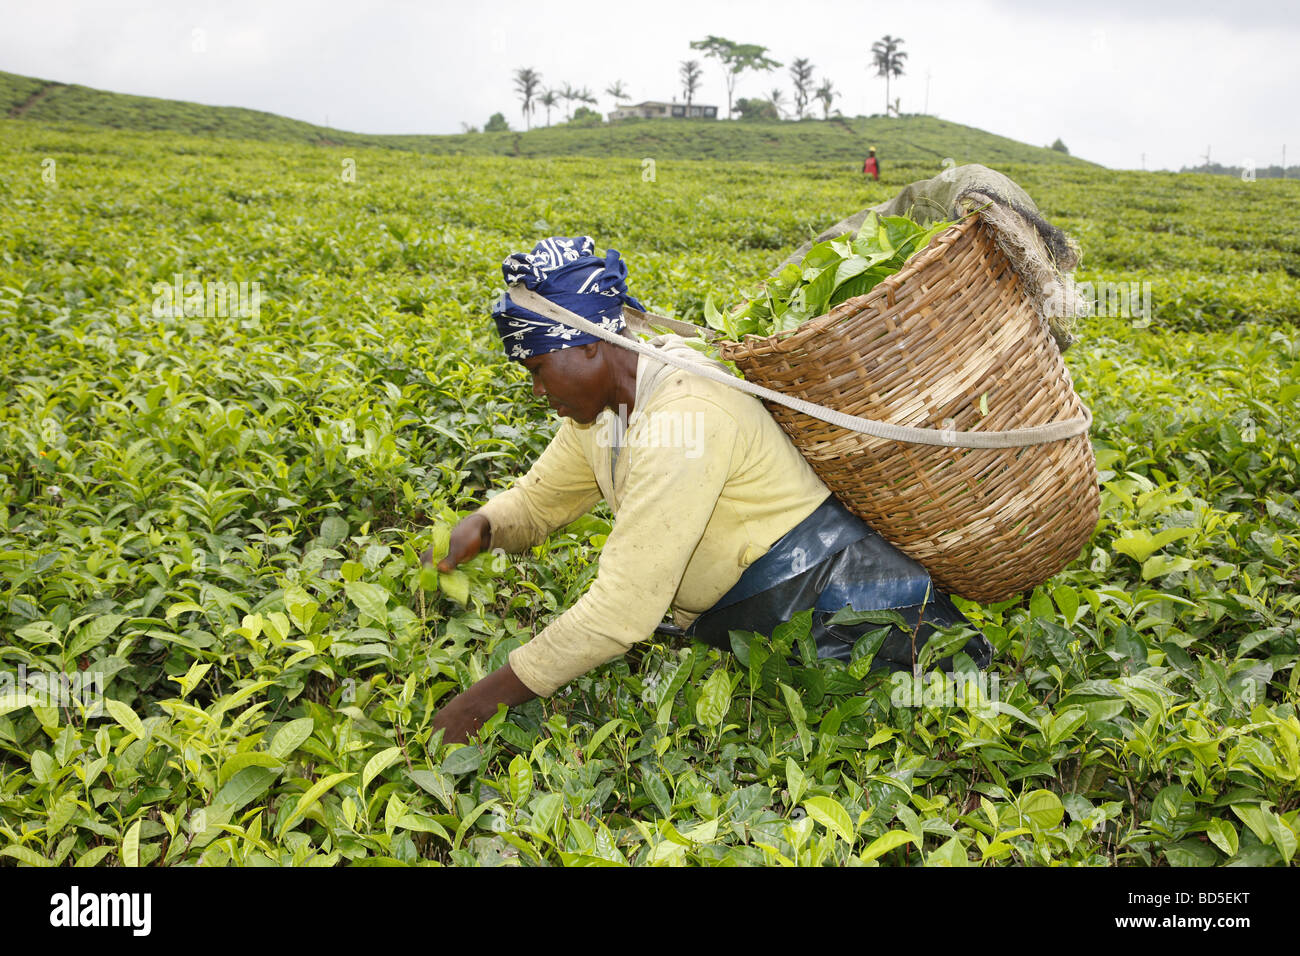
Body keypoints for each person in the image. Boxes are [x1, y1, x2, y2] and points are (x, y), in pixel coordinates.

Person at [422, 235, 990, 744]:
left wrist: (477, 704)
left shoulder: (684, 417)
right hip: (761, 627)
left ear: (592, 344)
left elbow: (621, 610)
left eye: (539, 368)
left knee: (884, 742)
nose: (538, 390)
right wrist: (486, 527)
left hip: (844, 620)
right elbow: (542, 499)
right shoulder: (608, 409)